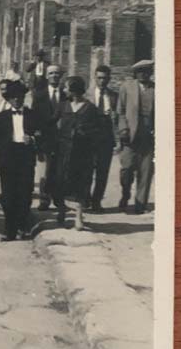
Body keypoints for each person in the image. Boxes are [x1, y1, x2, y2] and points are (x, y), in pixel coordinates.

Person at [0, 80, 39, 241]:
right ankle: (9, 229)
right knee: (8, 196)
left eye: (19, 97)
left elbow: (42, 135)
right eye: (13, 97)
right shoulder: (3, 116)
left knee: (24, 194)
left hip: (25, 157)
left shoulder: (32, 115)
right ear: (8, 99)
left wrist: (32, 139)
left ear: (24, 97)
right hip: (8, 157)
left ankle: (23, 227)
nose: (17, 100)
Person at [50, 75, 98, 230]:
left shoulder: (90, 108)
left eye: (66, 87)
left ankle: (78, 217)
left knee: (80, 183)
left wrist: (85, 133)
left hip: (82, 153)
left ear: (74, 89)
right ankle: (62, 211)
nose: (64, 90)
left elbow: (97, 129)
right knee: (61, 181)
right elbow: (51, 123)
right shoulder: (63, 106)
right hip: (63, 151)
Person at [117, 60, 155, 214]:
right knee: (126, 168)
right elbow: (120, 111)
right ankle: (125, 193)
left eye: (146, 71)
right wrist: (123, 129)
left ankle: (140, 204)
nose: (143, 74)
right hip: (130, 134)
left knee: (146, 171)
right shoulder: (127, 87)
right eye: (140, 71)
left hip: (148, 135)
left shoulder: (156, 88)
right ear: (135, 73)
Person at [87, 64, 119, 212]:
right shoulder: (87, 95)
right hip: (89, 139)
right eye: (99, 78)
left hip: (106, 140)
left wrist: (117, 140)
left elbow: (117, 119)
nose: (102, 81)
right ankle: (85, 199)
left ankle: (97, 201)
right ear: (95, 78)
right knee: (87, 171)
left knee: (102, 172)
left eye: (105, 78)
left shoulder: (113, 96)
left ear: (109, 79)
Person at [34, 63, 66, 209]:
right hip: (45, 138)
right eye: (51, 73)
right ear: (47, 76)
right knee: (44, 171)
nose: (54, 76)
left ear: (61, 77)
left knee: (60, 170)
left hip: (62, 138)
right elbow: (35, 117)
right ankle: (44, 199)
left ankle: (59, 199)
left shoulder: (66, 95)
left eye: (57, 74)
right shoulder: (39, 95)